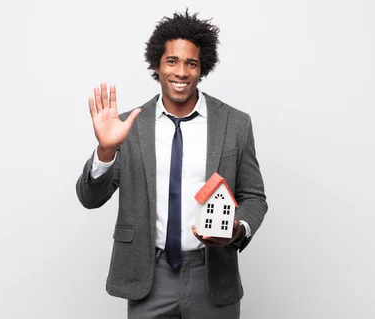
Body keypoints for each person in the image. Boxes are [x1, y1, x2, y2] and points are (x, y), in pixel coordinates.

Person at [76, 9, 267, 319]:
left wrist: (237, 229)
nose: (181, 72)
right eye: (172, 61)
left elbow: (254, 196)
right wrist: (106, 150)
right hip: (149, 276)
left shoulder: (235, 124)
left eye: (191, 63)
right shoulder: (128, 126)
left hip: (212, 274)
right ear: (157, 65)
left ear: (202, 68)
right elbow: (90, 198)